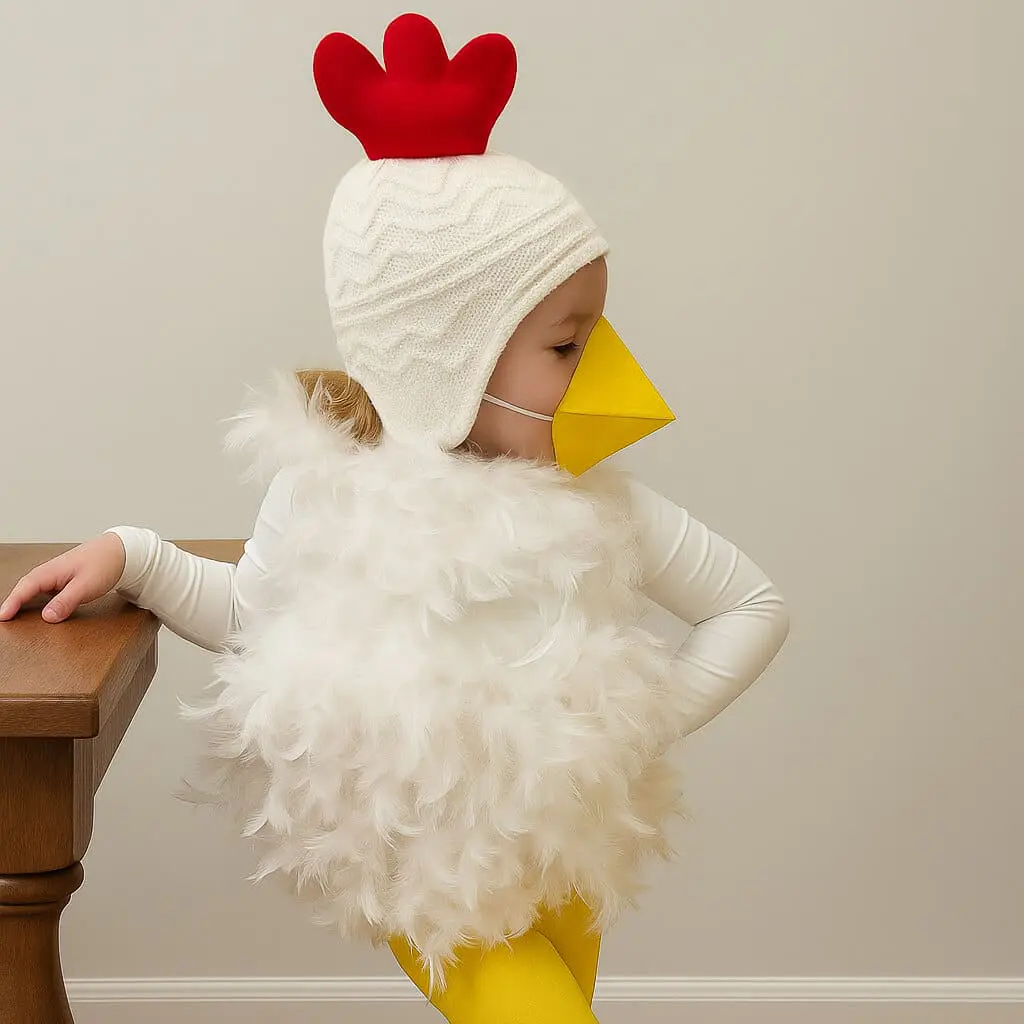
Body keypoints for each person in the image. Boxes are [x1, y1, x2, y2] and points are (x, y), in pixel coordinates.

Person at [0, 13, 791, 1023]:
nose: (600, 369)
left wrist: (626, 733)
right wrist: (137, 556)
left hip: (564, 867)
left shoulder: (600, 509)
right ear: (445, 359)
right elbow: (255, 618)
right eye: (566, 345)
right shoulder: (331, 496)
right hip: (438, 885)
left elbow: (752, 603)